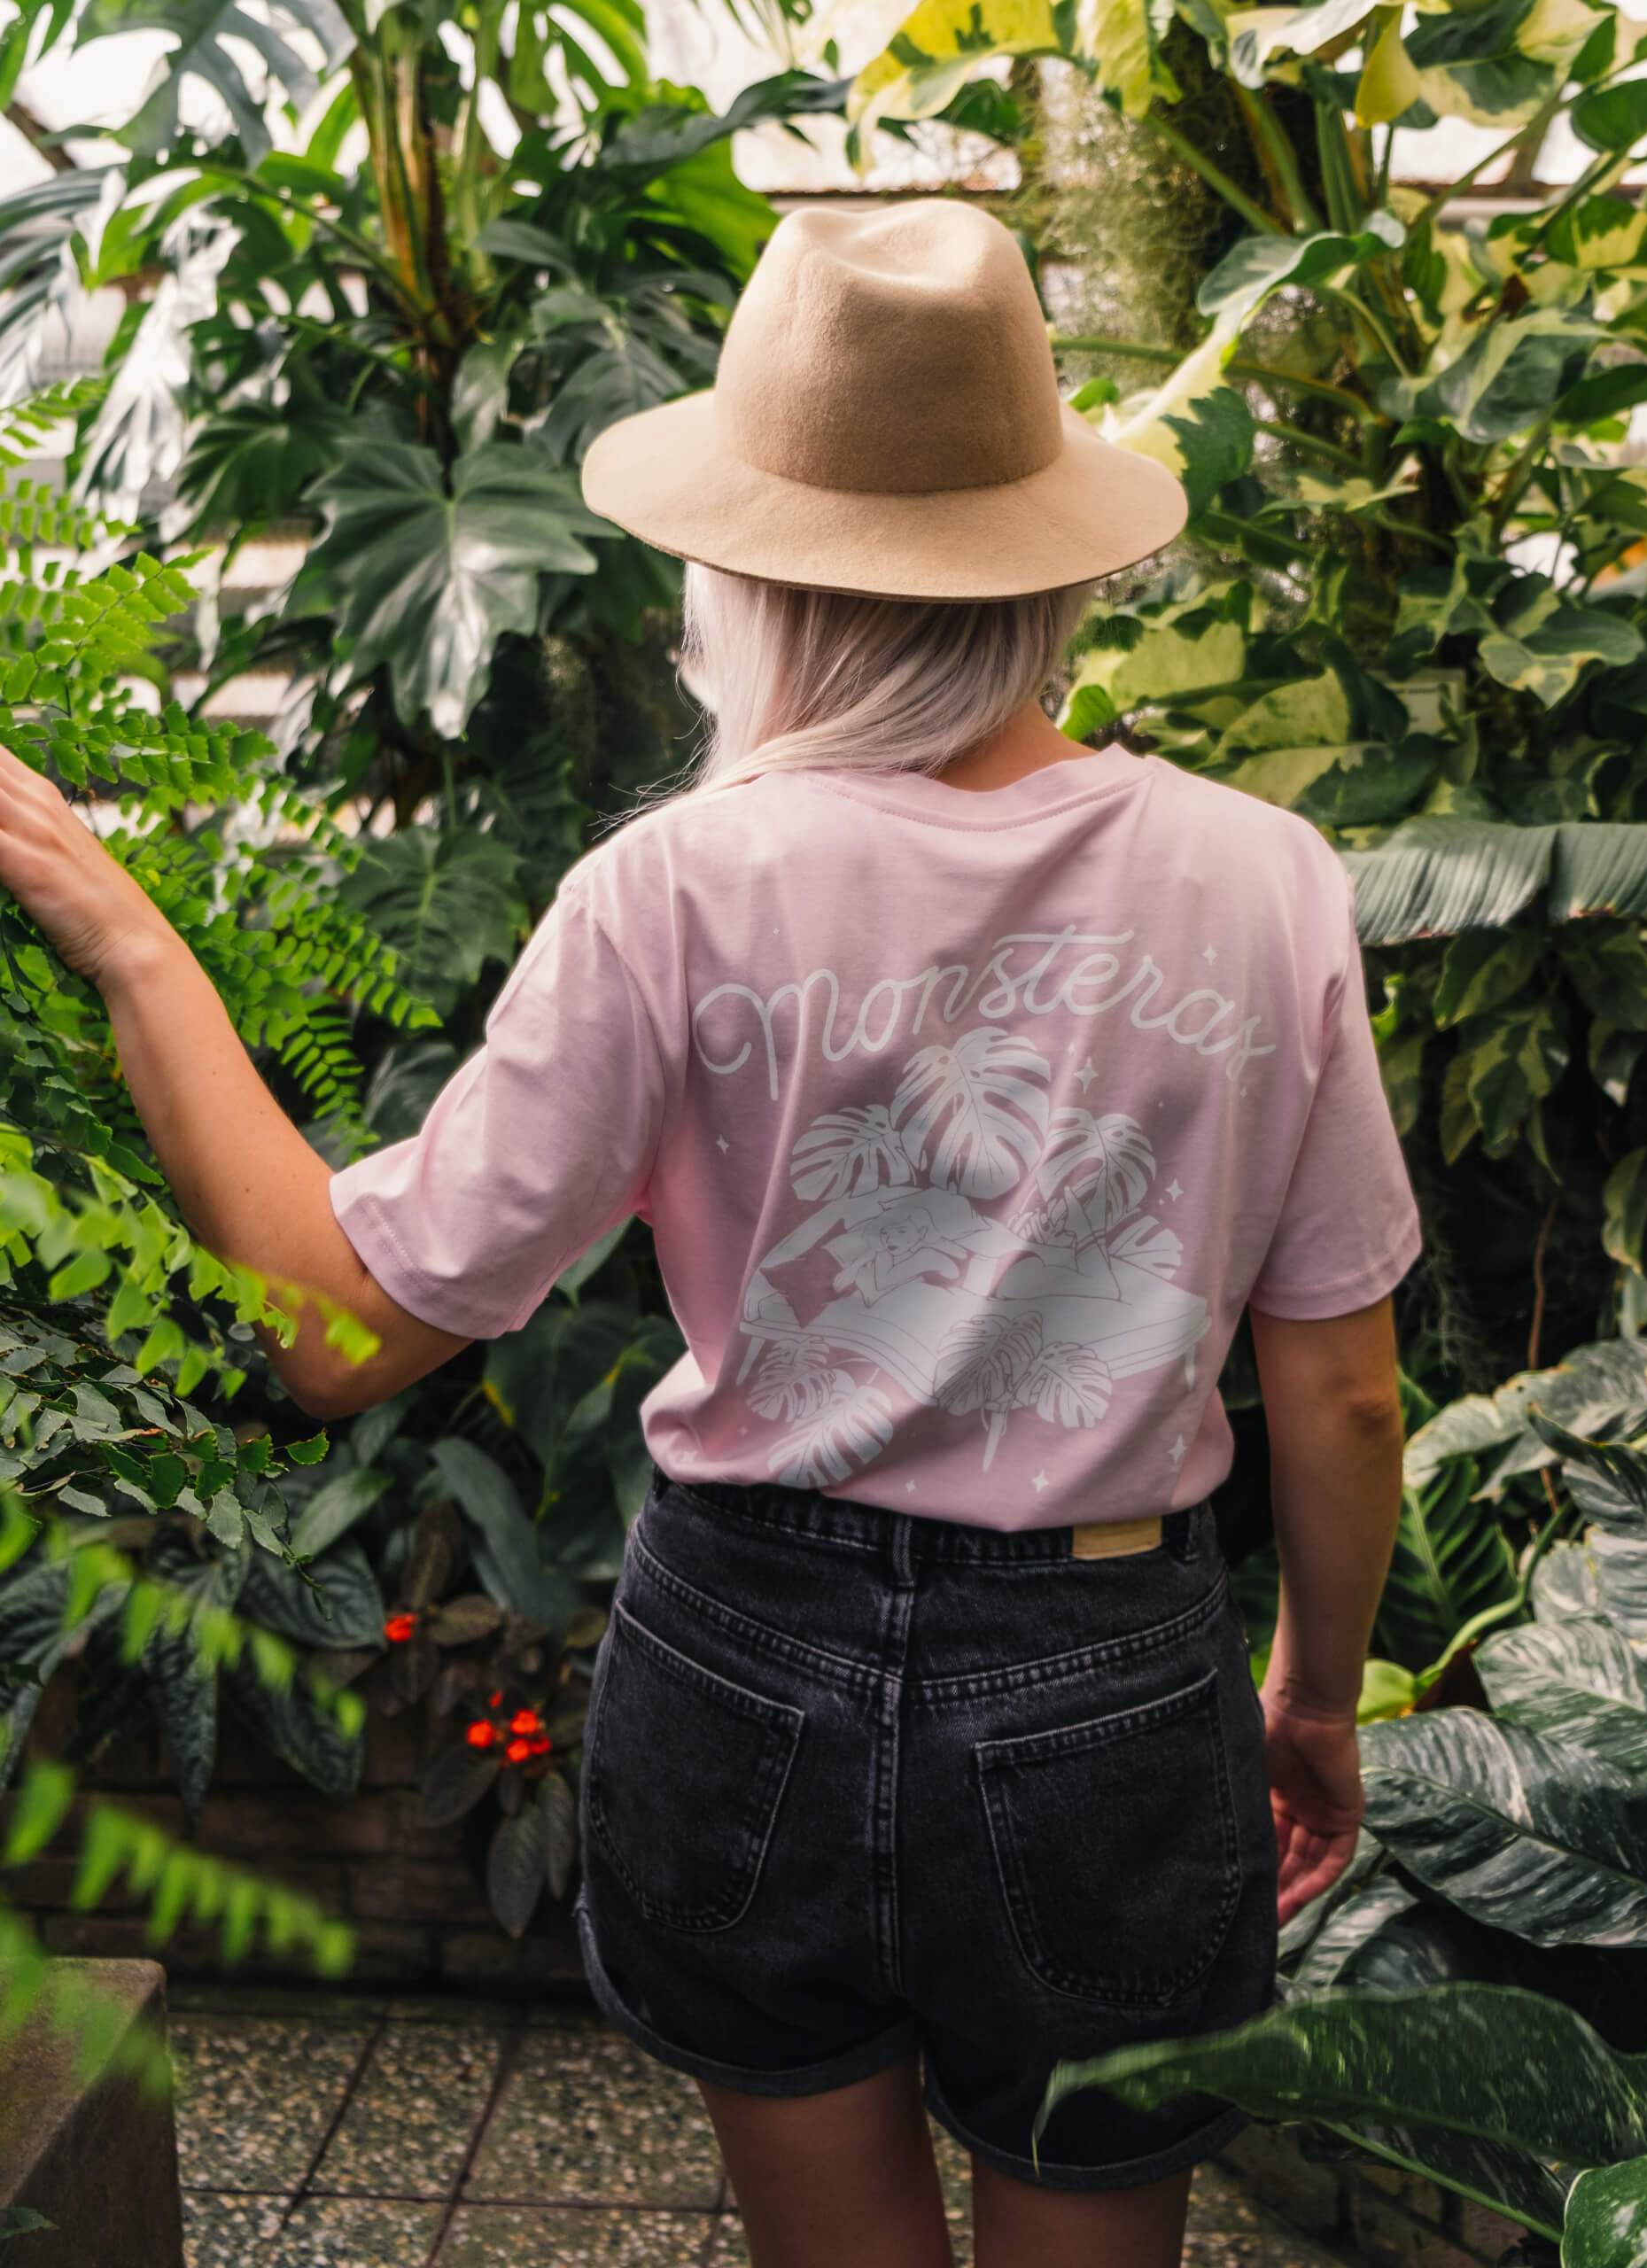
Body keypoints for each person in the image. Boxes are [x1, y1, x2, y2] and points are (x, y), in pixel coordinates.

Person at [0, 198, 1419, 2268]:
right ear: (1043, 559)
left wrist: (125, 933)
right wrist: (1308, 1689)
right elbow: (1345, 1385)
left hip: (747, 1649)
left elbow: (336, 1334)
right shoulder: (1262, 878)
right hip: (1112, 1670)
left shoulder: (676, 890)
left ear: (746, 570)